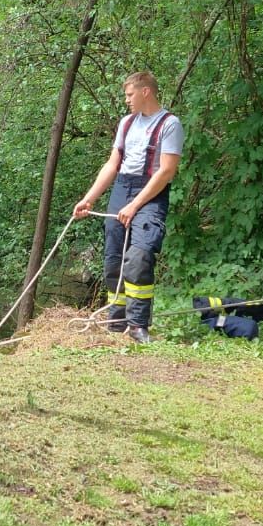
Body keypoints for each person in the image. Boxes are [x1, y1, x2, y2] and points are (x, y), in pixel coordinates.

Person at [72, 71, 184, 343]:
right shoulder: (126, 123)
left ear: (146, 92)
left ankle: (137, 326)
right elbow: (112, 164)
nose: (126, 100)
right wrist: (89, 198)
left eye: (130, 94)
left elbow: (166, 172)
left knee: (140, 255)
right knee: (114, 257)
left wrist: (135, 205)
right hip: (122, 188)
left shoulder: (170, 124)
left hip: (151, 192)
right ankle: (117, 322)